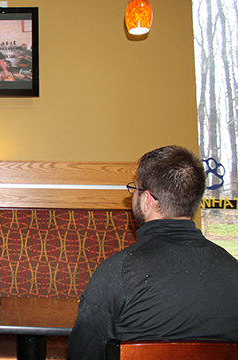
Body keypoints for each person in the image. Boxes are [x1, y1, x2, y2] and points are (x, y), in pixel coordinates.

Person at [68, 145, 238, 360]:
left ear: (147, 199)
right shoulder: (233, 270)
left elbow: (84, 354)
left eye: (135, 189)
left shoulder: (118, 272)